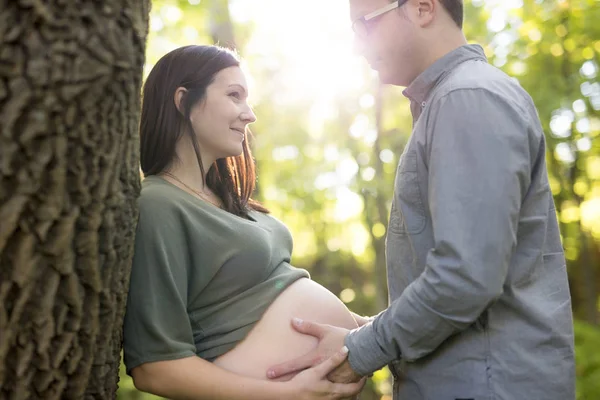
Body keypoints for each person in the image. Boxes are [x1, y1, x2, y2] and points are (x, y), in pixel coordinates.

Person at [266, 1, 576, 399]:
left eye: (365, 24)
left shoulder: (466, 98)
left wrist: (360, 352)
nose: (358, 46)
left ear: (423, 8)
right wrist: (375, 328)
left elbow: (465, 277)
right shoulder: (453, 102)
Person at [122, 44, 367, 399]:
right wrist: (288, 394)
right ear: (182, 101)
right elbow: (154, 367)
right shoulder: (158, 204)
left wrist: (376, 327)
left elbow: (268, 298)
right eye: (234, 95)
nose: (249, 114)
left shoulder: (230, 201)